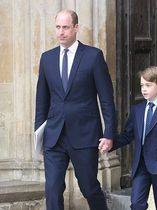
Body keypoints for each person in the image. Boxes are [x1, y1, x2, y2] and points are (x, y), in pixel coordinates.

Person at [34, 9, 115, 210]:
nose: (61, 32)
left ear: (76, 28)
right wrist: (39, 133)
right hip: (54, 137)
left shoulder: (93, 56)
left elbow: (106, 100)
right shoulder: (47, 58)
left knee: (89, 188)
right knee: (52, 189)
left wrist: (109, 134)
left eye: (66, 27)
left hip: (85, 135)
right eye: (58, 27)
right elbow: (41, 100)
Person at [100, 66, 157, 210]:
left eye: (148, 85)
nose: (144, 89)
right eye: (142, 85)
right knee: (136, 204)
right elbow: (127, 135)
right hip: (140, 166)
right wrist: (111, 143)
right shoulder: (137, 109)